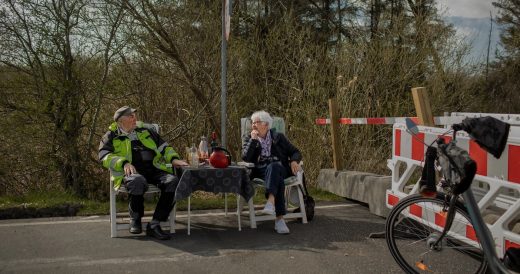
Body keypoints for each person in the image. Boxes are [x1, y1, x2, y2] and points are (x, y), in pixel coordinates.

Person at [99, 106, 188, 240]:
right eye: (131, 116)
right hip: (132, 171)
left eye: (135, 116)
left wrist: (174, 159)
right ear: (121, 121)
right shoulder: (111, 136)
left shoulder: (146, 130)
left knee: (173, 181)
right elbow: (104, 156)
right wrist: (123, 163)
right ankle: (135, 218)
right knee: (137, 181)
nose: (135, 118)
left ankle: (155, 223)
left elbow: (164, 147)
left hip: (154, 168)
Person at [242, 110, 302, 234]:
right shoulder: (249, 138)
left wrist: (294, 161)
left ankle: (271, 202)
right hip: (260, 170)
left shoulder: (279, 137)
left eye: (256, 122)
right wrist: (253, 141)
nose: (253, 125)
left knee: (275, 167)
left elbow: (295, 151)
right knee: (277, 177)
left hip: (280, 167)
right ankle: (279, 219)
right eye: (252, 123)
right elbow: (245, 158)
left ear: (266, 125)